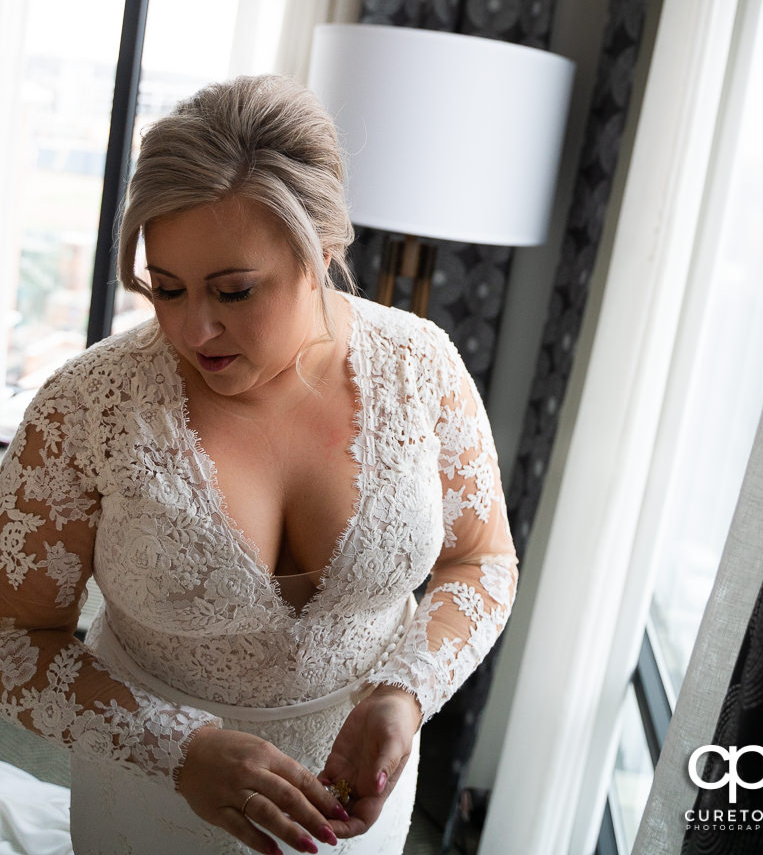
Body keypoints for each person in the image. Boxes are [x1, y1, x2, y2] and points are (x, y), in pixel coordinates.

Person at [0, 74, 518, 855]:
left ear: (324, 253)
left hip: (357, 807)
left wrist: (403, 696)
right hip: (153, 805)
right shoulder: (87, 409)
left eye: (235, 291)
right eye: (165, 288)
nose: (194, 328)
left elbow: (481, 561)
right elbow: (13, 639)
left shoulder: (421, 368)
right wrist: (174, 747)